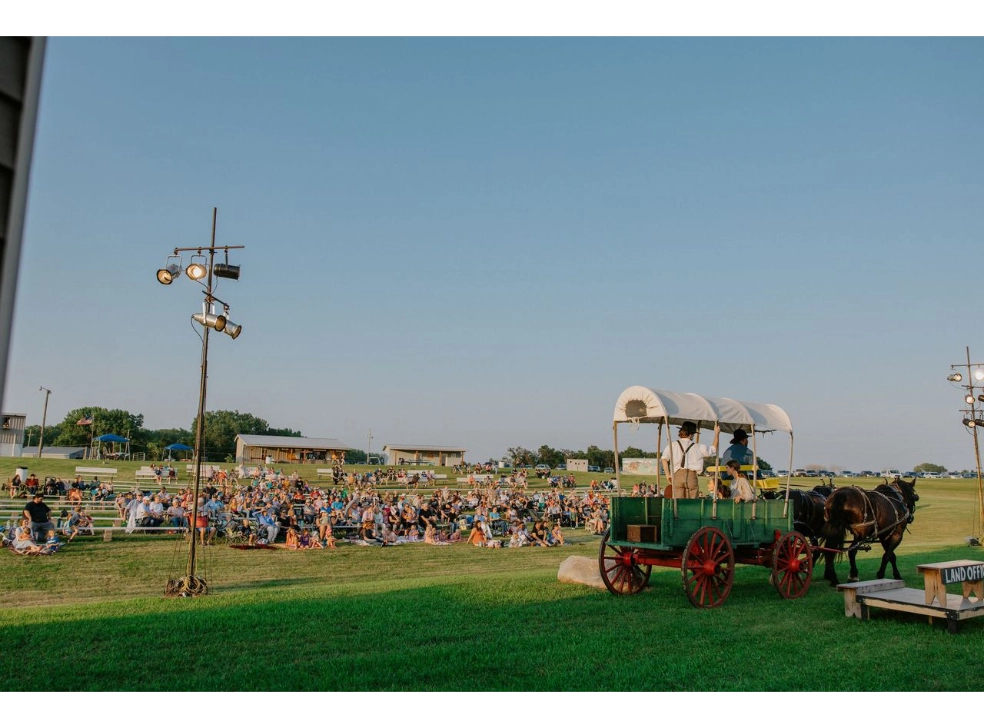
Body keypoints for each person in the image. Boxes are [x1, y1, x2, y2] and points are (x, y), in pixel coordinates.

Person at [660, 421, 720, 499]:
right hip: (691, 476)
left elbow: (664, 459)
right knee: (692, 502)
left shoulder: (672, 445)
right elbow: (714, 449)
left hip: (677, 475)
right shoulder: (698, 447)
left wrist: (668, 475)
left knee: (678, 502)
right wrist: (716, 434)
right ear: (691, 434)